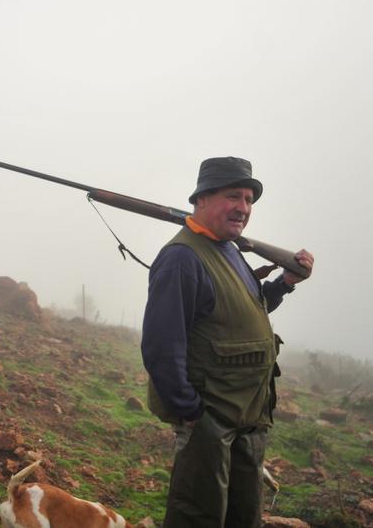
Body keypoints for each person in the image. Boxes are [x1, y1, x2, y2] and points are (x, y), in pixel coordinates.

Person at [140, 156, 314, 527]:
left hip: (247, 417)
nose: (243, 208)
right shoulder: (181, 259)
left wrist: (284, 283)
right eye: (234, 196)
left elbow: (242, 310)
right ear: (202, 199)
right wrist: (191, 414)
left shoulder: (229, 249)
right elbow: (161, 346)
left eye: (249, 200)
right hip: (210, 420)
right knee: (198, 517)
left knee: (241, 516)